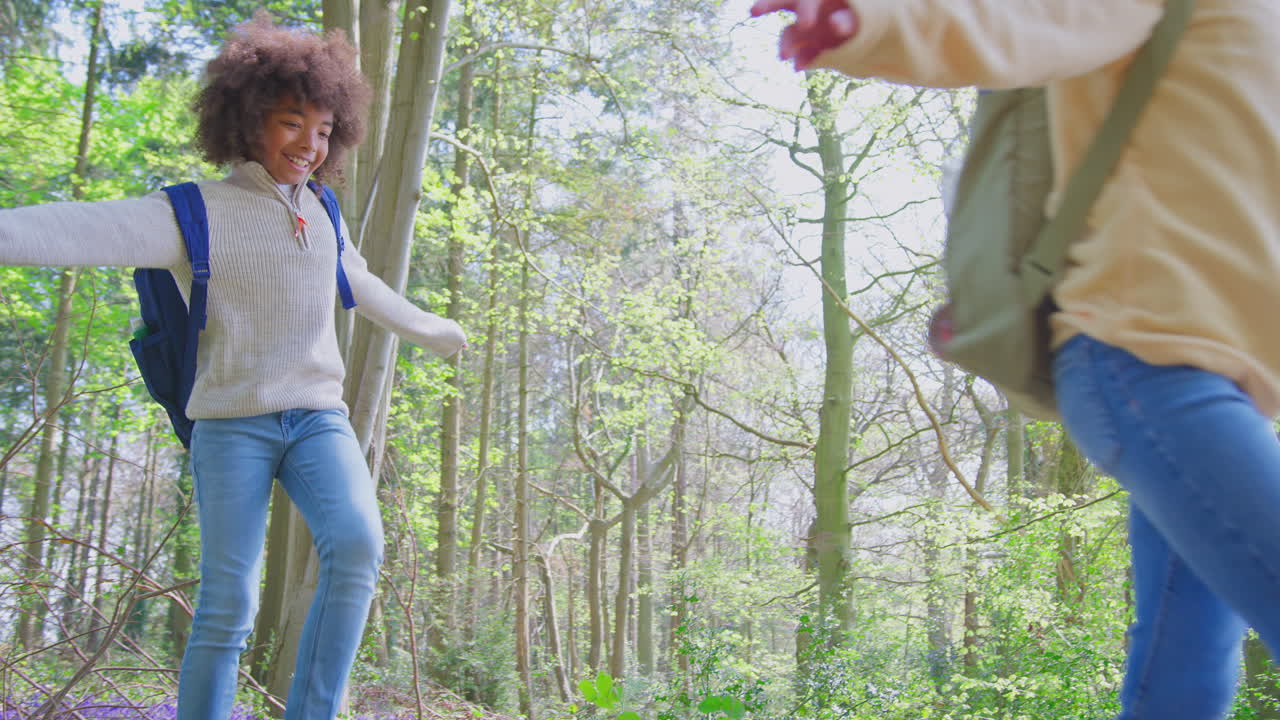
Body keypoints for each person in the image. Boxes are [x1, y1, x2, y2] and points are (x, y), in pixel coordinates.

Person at [751, 1, 1280, 718]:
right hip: (1146, 362)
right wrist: (863, 20)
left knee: (1184, 681)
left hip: (1225, 391)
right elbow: (1016, 20)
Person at [0, 13, 465, 720]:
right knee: (229, 602)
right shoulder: (192, 213)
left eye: (322, 129)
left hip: (317, 419)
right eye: (290, 123)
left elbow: (358, 282)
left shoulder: (325, 212)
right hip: (230, 426)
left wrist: (434, 330)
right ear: (248, 120)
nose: (309, 144)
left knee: (358, 545)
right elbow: (75, 228)